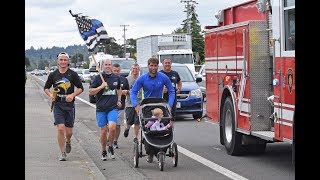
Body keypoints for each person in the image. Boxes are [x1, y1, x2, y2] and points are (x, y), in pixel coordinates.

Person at [130, 57, 175, 163]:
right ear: (148, 66)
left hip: (160, 106)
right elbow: (133, 92)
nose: (153, 67)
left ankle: (162, 149)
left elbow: (172, 91)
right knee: (148, 128)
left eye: (155, 65)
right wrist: (136, 105)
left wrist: (169, 104)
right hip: (147, 107)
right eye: (151, 65)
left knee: (164, 127)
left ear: (157, 66)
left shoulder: (163, 77)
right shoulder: (142, 78)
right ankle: (150, 152)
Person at [44, 52, 84, 161]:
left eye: (65, 60)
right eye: (61, 60)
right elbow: (46, 88)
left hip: (69, 105)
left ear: (68, 62)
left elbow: (81, 88)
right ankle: (62, 153)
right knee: (60, 128)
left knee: (69, 132)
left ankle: (68, 141)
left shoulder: (73, 74)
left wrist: (72, 95)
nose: (63, 62)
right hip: (58, 104)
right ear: (57, 61)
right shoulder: (53, 75)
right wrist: (51, 95)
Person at [89, 59, 122, 161]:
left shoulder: (116, 78)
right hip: (101, 108)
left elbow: (119, 89)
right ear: (102, 66)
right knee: (103, 131)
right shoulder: (98, 78)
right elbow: (90, 91)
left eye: (109, 64)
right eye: (106, 64)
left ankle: (110, 146)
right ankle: (103, 150)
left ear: (112, 66)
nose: (108, 66)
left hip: (112, 108)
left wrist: (119, 100)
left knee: (112, 128)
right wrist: (101, 87)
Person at [123, 63, 142, 143]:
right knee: (129, 121)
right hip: (129, 103)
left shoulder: (141, 79)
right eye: (133, 68)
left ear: (139, 70)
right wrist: (128, 91)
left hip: (139, 103)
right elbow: (122, 91)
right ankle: (127, 128)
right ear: (131, 70)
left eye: (136, 68)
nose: (135, 70)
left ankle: (135, 137)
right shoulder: (127, 79)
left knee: (137, 121)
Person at [112, 63, 129, 149]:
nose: (116, 72)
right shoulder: (108, 79)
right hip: (109, 105)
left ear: (120, 71)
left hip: (120, 106)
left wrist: (125, 92)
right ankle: (109, 139)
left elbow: (128, 91)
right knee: (110, 125)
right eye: (114, 71)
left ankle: (115, 141)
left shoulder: (124, 80)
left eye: (118, 71)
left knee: (118, 125)